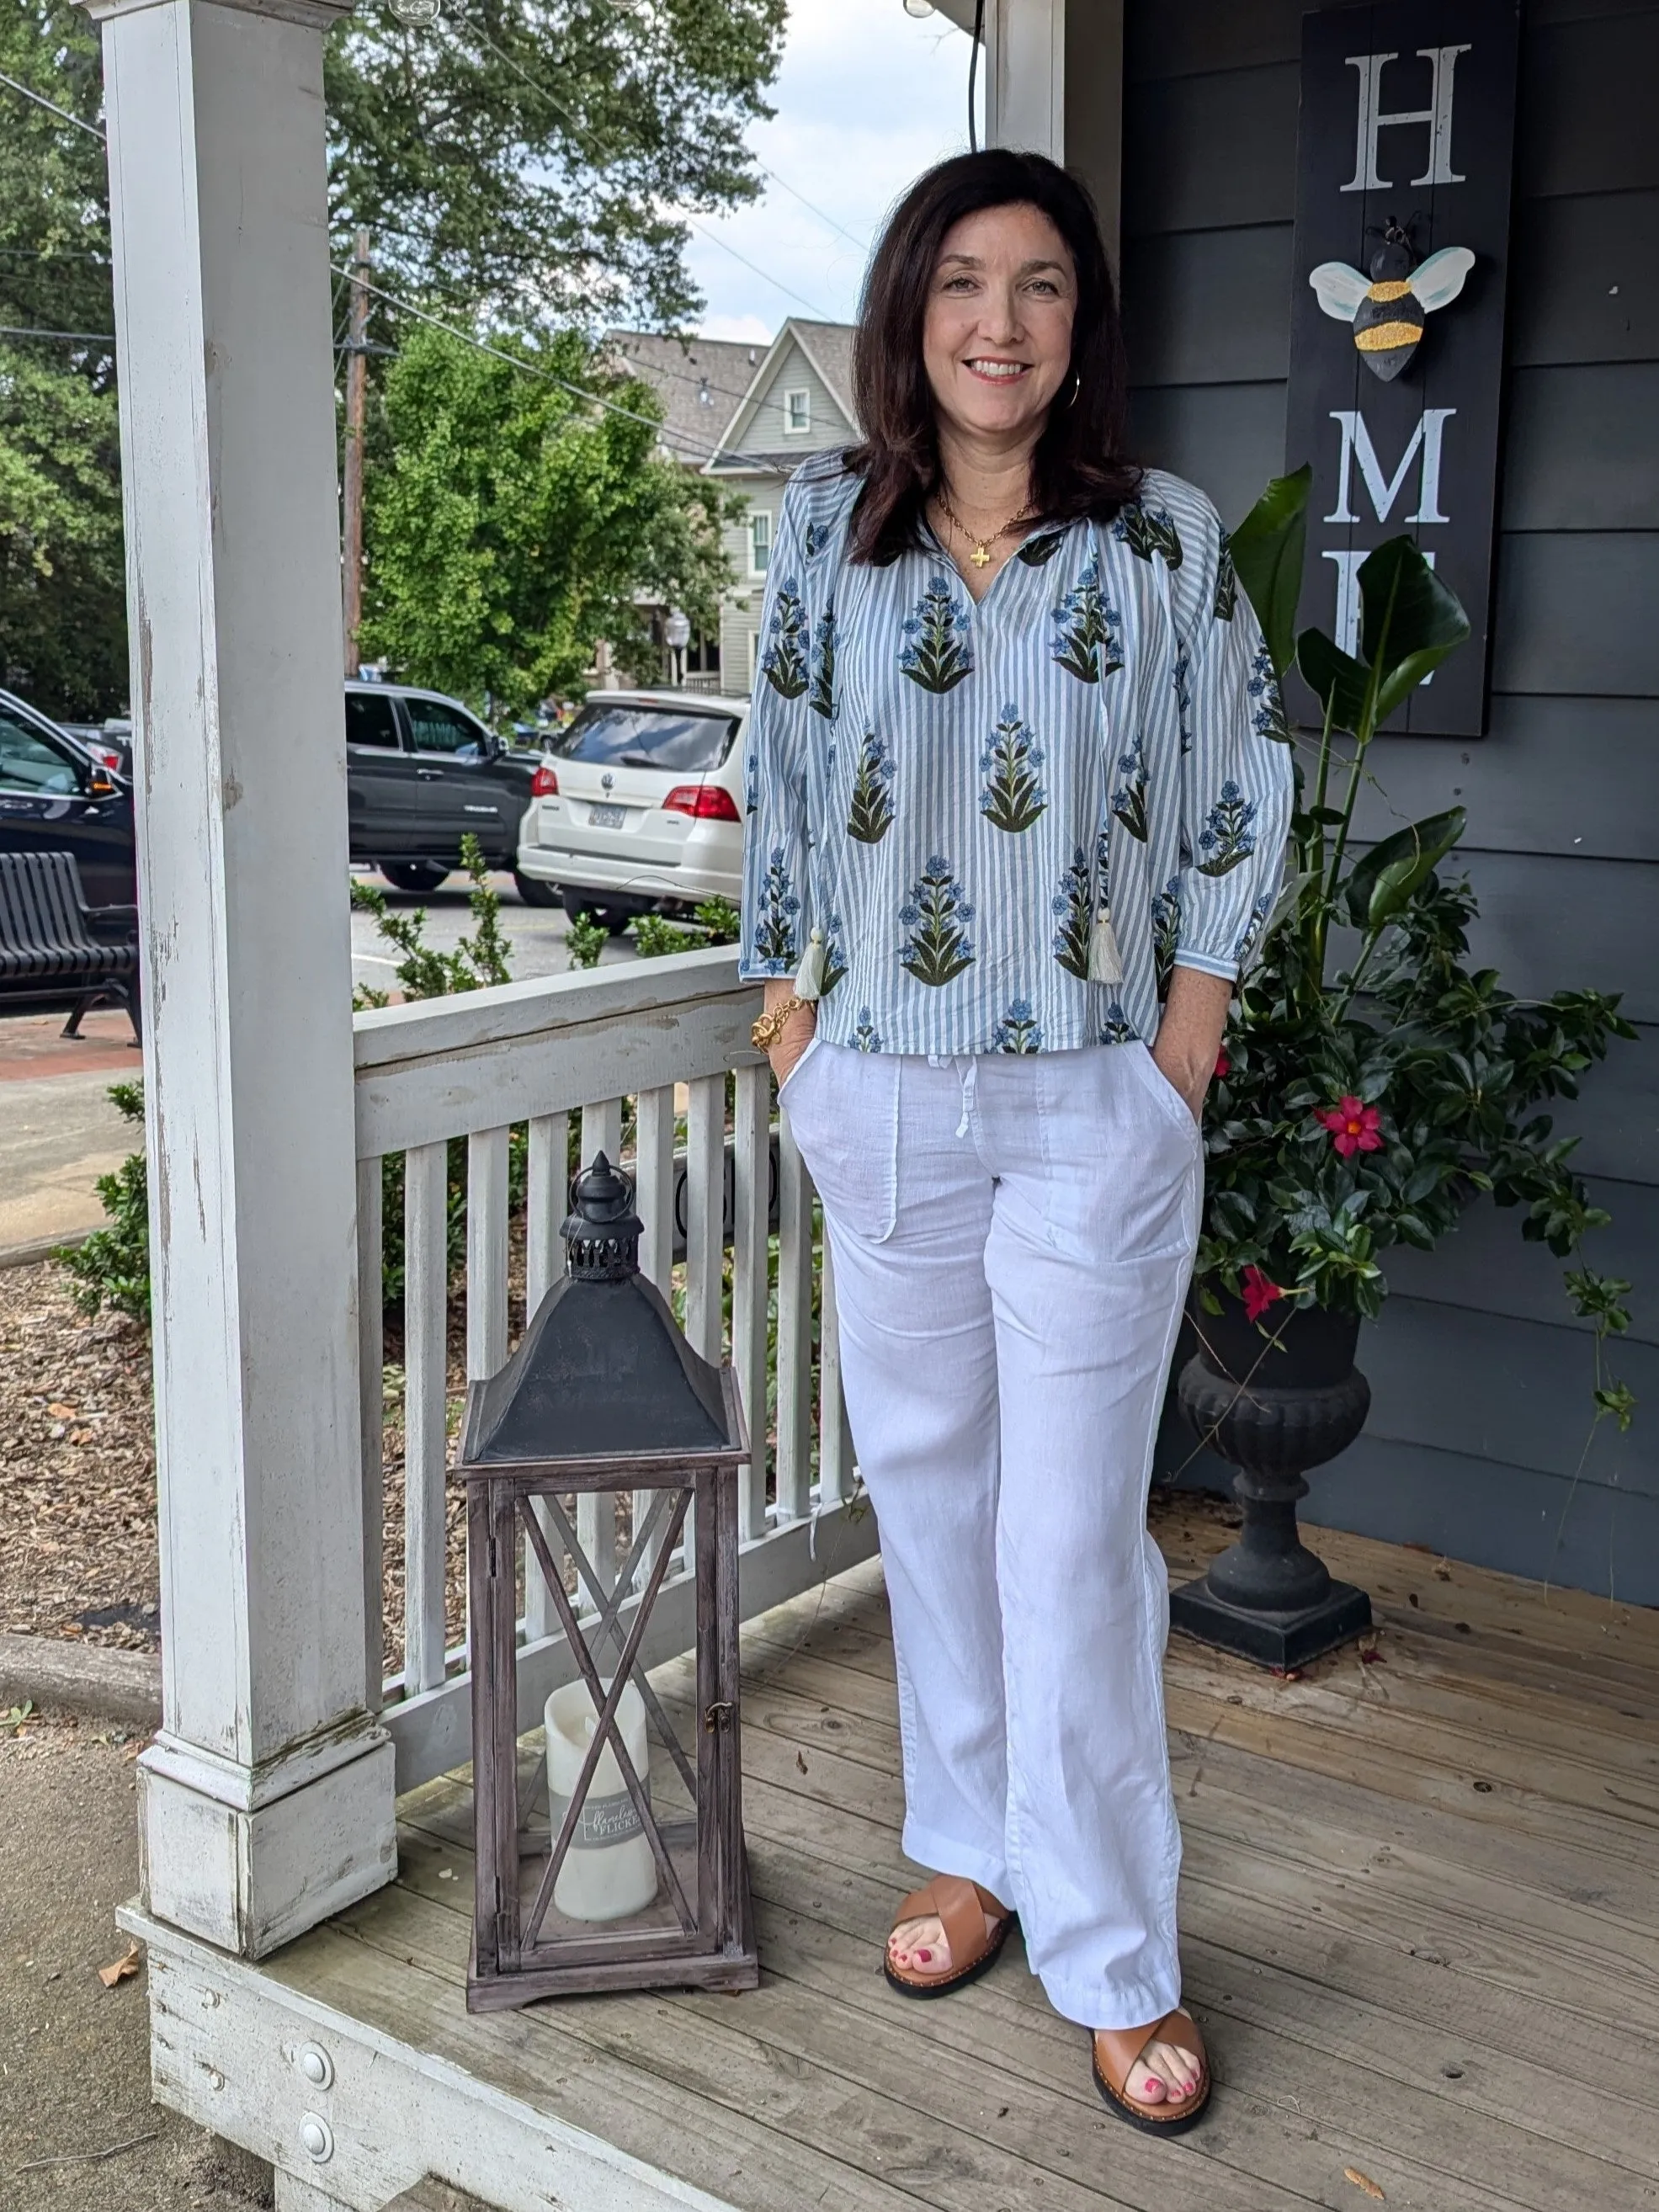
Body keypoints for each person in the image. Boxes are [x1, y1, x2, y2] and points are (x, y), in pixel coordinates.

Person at [738, 148, 1291, 2135]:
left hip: (1088, 1102)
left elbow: (1236, 782)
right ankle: (968, 1842)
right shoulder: (821, 528)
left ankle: (1115, 1945)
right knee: (931, 1496)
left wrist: (1186, 1038)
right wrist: (789, 1018)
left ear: (1082, 328)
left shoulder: (1159, 541)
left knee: (1072, 1538)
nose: (997, 321)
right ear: (909, 312)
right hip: (875, 1084)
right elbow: (778, 775)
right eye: (962, 281)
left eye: (1040, 286)